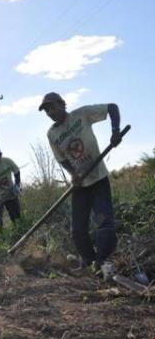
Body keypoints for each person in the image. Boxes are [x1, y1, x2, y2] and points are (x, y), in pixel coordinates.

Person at [39, 92, 122, 280]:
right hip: (80, 185)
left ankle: (103, 261)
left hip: (98, 179)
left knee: (104, 222)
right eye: (46, 110)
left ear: (62, 104)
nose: (50, 112)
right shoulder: (52, 134)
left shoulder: (82, 115)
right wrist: (73, 173)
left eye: (52, 107)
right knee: (77, 230)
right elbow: (61, 158)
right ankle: (91, 263)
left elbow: (112, 107)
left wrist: (115, 131)